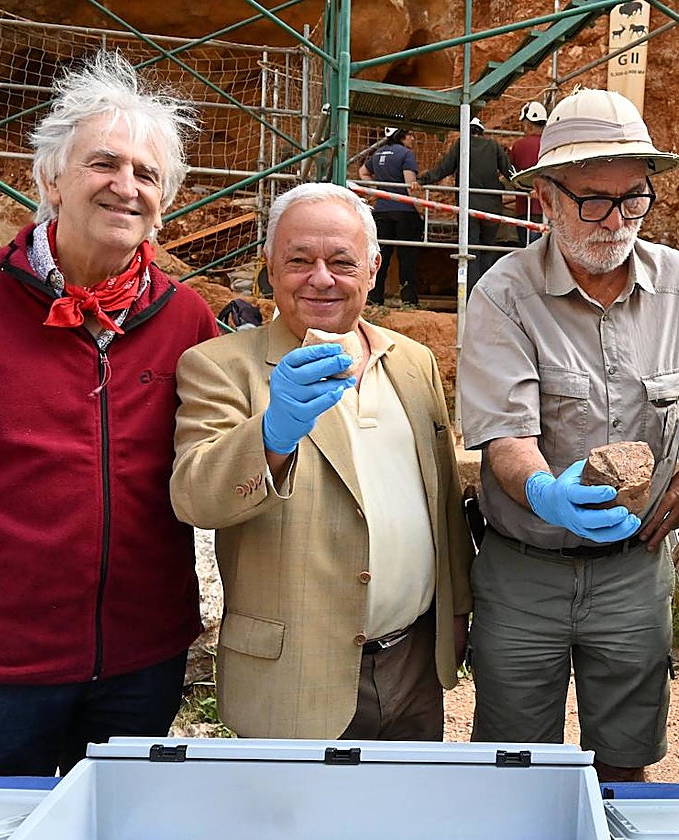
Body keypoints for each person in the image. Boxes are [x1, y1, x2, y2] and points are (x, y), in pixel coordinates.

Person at [0, 51, 218, 776]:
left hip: (142, 658)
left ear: (163, 201)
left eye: (147, 174)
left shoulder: (186, 318)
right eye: (103, 163)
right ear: (49, 179)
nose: (126, 186)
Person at [459, 88, 679, 783]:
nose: (616, 220)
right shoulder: (503, 294)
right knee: (515, 764)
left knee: (626, 757)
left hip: (632, 571)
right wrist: (545, 490)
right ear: (545, 198)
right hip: (525, 569)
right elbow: (504, 436)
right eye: (592, 200)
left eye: (633, 198)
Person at [170, 182, 472, 740]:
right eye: (299, 260)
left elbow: (443, 499)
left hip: (413, 661)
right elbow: (194, 496)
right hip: (294, 672)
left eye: (341, 261)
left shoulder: (413, 361)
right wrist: (271, 435)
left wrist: (455, 610)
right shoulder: (220, 366)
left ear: (375, 266)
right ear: (268, 266)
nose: (322, 278)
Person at [415, 117, 514, 291]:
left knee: (470, 252)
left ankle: (471, 296)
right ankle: (489, 294)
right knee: (488, 249)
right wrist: (528, 186)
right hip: (492, 207)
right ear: (481, 132)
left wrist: (423, 180)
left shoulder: (462, 144)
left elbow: (443, 168)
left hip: (468, 206)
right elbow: (509, 172)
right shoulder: (493, 146)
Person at [359, 127, 422, 306]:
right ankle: (409, 300)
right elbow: (410, 184)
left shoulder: (378, 153)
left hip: (382, 210)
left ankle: (374, 298)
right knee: (407, 256)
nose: (413, 138)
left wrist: (378, 190)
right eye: (411, 135)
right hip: (405, 211)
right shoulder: (406, 154)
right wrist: (419, 208)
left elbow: (363, 172)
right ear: (402, 137)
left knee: (381, 256)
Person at [510, 101, 547, 246]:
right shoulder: (550, 144)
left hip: (526, 208)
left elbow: (511, 174)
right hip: (549, 208)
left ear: (528, 124)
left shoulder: (519, 146)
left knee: (528, 251)